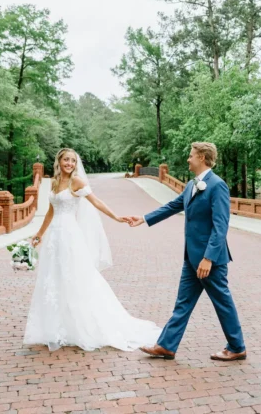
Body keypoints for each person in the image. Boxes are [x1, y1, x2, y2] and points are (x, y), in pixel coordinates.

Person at [23, 148, 161, 352]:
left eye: (73, 160)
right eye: (66, 160)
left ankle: (81, 327)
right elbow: (50, 212)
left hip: (70, 236)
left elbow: (96, 201)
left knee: (76, 278)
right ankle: (57, 328)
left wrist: (115, 216)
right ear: (59, 161)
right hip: (54, 237)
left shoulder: (76, 181)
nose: (69, 163)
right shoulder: (54, 182)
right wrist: (39, 234)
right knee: (54, 278)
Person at [125, 142, 246, 361]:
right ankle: (166, 346)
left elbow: (221, 226)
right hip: (191, 257)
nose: (188, 159)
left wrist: (208, 258)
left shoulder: (217, 185)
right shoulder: (192, 185)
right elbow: (172, 206)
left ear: (201, 157)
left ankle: (237, 347)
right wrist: (143, 219)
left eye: (191, 156)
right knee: (183, 303)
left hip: (210, 260)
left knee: (222, 302)